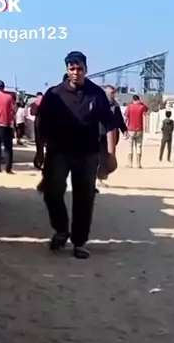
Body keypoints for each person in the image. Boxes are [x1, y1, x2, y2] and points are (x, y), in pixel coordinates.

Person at [35, 51, 116, 259]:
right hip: (58, 153)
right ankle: (61, 229)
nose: (76, 72)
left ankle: (79, 242)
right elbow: (40, 123)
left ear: (86, 69)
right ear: (67, 69)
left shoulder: (95, 94)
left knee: (84, 197)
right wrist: (39, 151)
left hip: (87, 154)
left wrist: (110, 154)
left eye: (80, 68)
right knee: (52, 191)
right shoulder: (54, 94)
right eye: (72, 68)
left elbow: (109, 124)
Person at [96, 85, 127, 189]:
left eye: (114, 93)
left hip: (111, 136)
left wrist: (124, 130)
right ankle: (98, 179)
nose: (114, 95)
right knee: (100, 158)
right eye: (112, 93)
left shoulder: (115, 105)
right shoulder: (98, 104)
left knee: (110, 161)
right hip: (99, 135)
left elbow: (119, 119)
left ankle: (100, 177)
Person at [125, 94, 149, 169]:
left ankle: (130, 164)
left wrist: (124, 128)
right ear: (138, 99)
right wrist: (141, 102)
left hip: (130, 129)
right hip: (139, 130)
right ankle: (138, 164)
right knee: (139, 146)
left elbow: (126, 118)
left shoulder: (129, 107)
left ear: (133, 100)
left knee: (130, 146)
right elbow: (147, 109)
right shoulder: (142, 107)